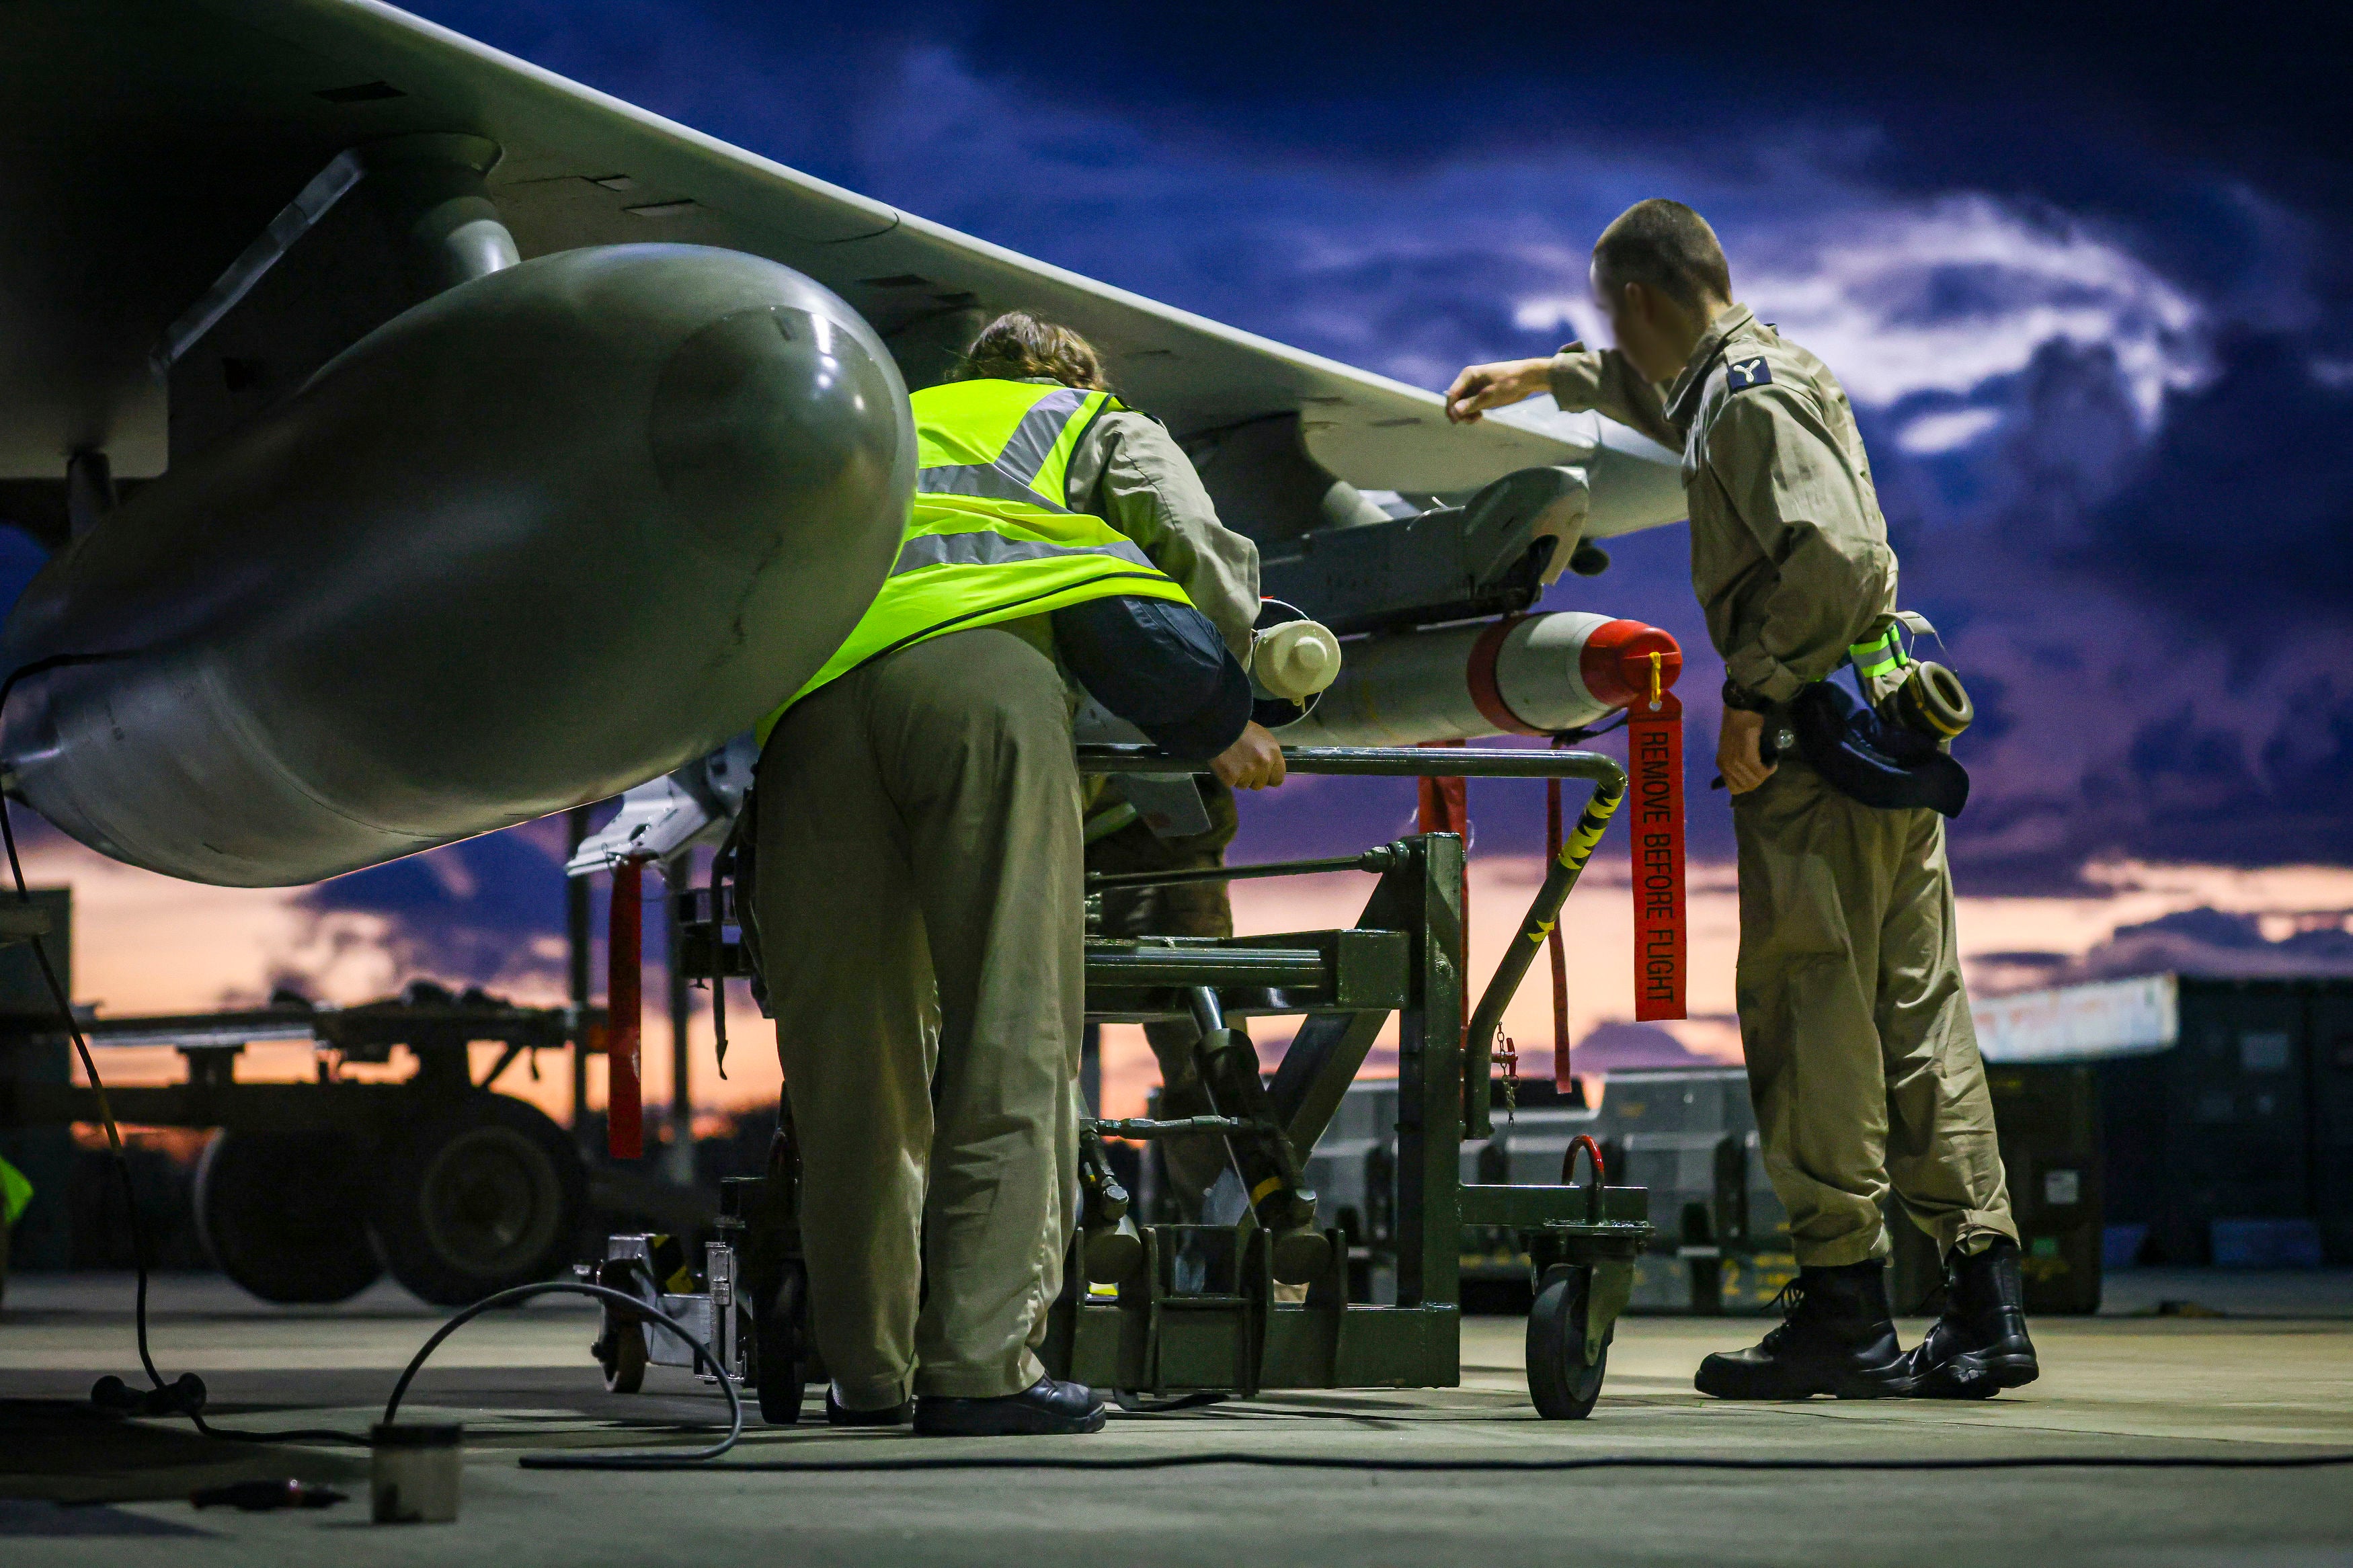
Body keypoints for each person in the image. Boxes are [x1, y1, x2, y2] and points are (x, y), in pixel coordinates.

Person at [1443, 200, 2036, 1401]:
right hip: (1878, 730)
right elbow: (1640, 390)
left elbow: (1840, 557)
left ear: (1645, 300)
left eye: (1615, 313)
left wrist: (1755, 694)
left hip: (1819, 748)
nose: (1614, 337)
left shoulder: (1746, 398)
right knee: (1914, 1012)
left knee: (1812, 1012)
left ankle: (1843, 1308)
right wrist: (1539, 378)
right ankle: (1983, 1303)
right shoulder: (1754, 372)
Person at [750, 311, 1281, 1437]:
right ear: (1075, 373)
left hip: (811, 711)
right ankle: (981, 1366)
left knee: (850, 1060)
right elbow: (1199, 557)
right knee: (1010, 1020)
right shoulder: (1089, 420)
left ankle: (868, 1370)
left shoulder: (890, 419)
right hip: (981, 690)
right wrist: (1229, 693)